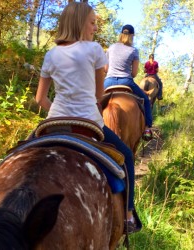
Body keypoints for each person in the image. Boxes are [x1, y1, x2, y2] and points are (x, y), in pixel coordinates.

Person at [35, 2, 140, 233]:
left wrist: (60, 111)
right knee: (127, 157)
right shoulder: (94, 50)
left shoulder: (51, 54)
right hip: (89, 122)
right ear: (80, 23)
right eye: (92, 22)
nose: (94, 28)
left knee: (18, 152)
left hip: (53, 123)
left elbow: (40, 100)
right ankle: (129, 215)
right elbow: (99, 95)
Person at [104, 24, 153, 140]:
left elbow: (105, 69)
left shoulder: (111, 48)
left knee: (92, 100)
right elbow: (134, 73)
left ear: (121, 34)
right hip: (126, 81)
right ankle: (147, 129)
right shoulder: (133, 50)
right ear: (132, 36)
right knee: (146, 100)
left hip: (109, 81)